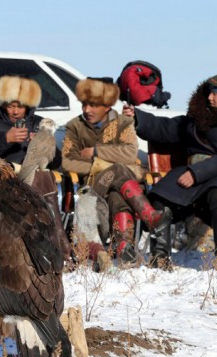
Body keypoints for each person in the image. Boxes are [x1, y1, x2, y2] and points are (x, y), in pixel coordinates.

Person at [124, 70, 217, 269]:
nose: (210, 97)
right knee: (162, 196)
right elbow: (168, 127)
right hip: (192, 170)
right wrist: (139, 118)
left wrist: (197, 173)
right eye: (209, 92)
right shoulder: (199, 116)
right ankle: (160, 257)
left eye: (216, 93)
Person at [61, 77, 171, 268]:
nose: (87, 110)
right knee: (119, 168)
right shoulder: (75, 126)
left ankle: (124, 249)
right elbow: (67, 161)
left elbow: (130, 153)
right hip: (93, 186)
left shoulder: (123, 123)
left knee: (117, 195)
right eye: (84, 104)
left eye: (93, 105)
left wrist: (96, 152)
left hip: (118, 186)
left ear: (107, 105)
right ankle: (150, 217)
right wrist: (99, 166)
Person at [0, 75, 70, 259]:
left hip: (33, 180)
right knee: (41, 182)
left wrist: (43, 144)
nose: (15, 111)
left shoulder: (40, 123)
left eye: (20, 105)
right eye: (10, 105)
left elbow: (57, 163)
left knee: (43, 177)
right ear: (2, 103)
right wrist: (4, 140)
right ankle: (60, 249)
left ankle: (56, 249)